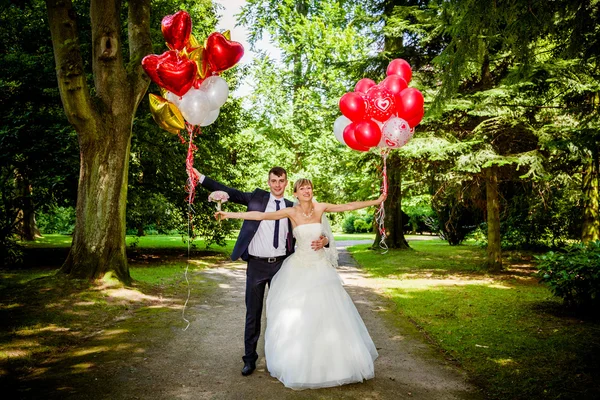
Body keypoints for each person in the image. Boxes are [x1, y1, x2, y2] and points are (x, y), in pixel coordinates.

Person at [216, 178, 386, 390]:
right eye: (302, 188)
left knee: (329, 314)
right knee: (299, 317)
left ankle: (333, 363)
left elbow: (348, 206)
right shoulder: (291, 212)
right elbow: (260, 215)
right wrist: (229, 214)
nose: (307, 191)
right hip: (299, 268)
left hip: (321, 269)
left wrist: (377, 201)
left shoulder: (321, 207)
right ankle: (300, 362)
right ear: (295, 193)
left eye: (309, 187)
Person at [196, 167, 330, 376]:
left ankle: (283, 358)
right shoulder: (255, 198)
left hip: (283, 266)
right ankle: (249, 359)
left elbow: (312, 228)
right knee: (253, 314)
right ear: (268, 182)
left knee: (285, 314)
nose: (277, 185)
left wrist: (325, 240)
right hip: (257, 266)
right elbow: (226, 190)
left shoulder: (291, 207)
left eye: (281, 181)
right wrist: (200, 177)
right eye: (274, 180)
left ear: (287, 183)